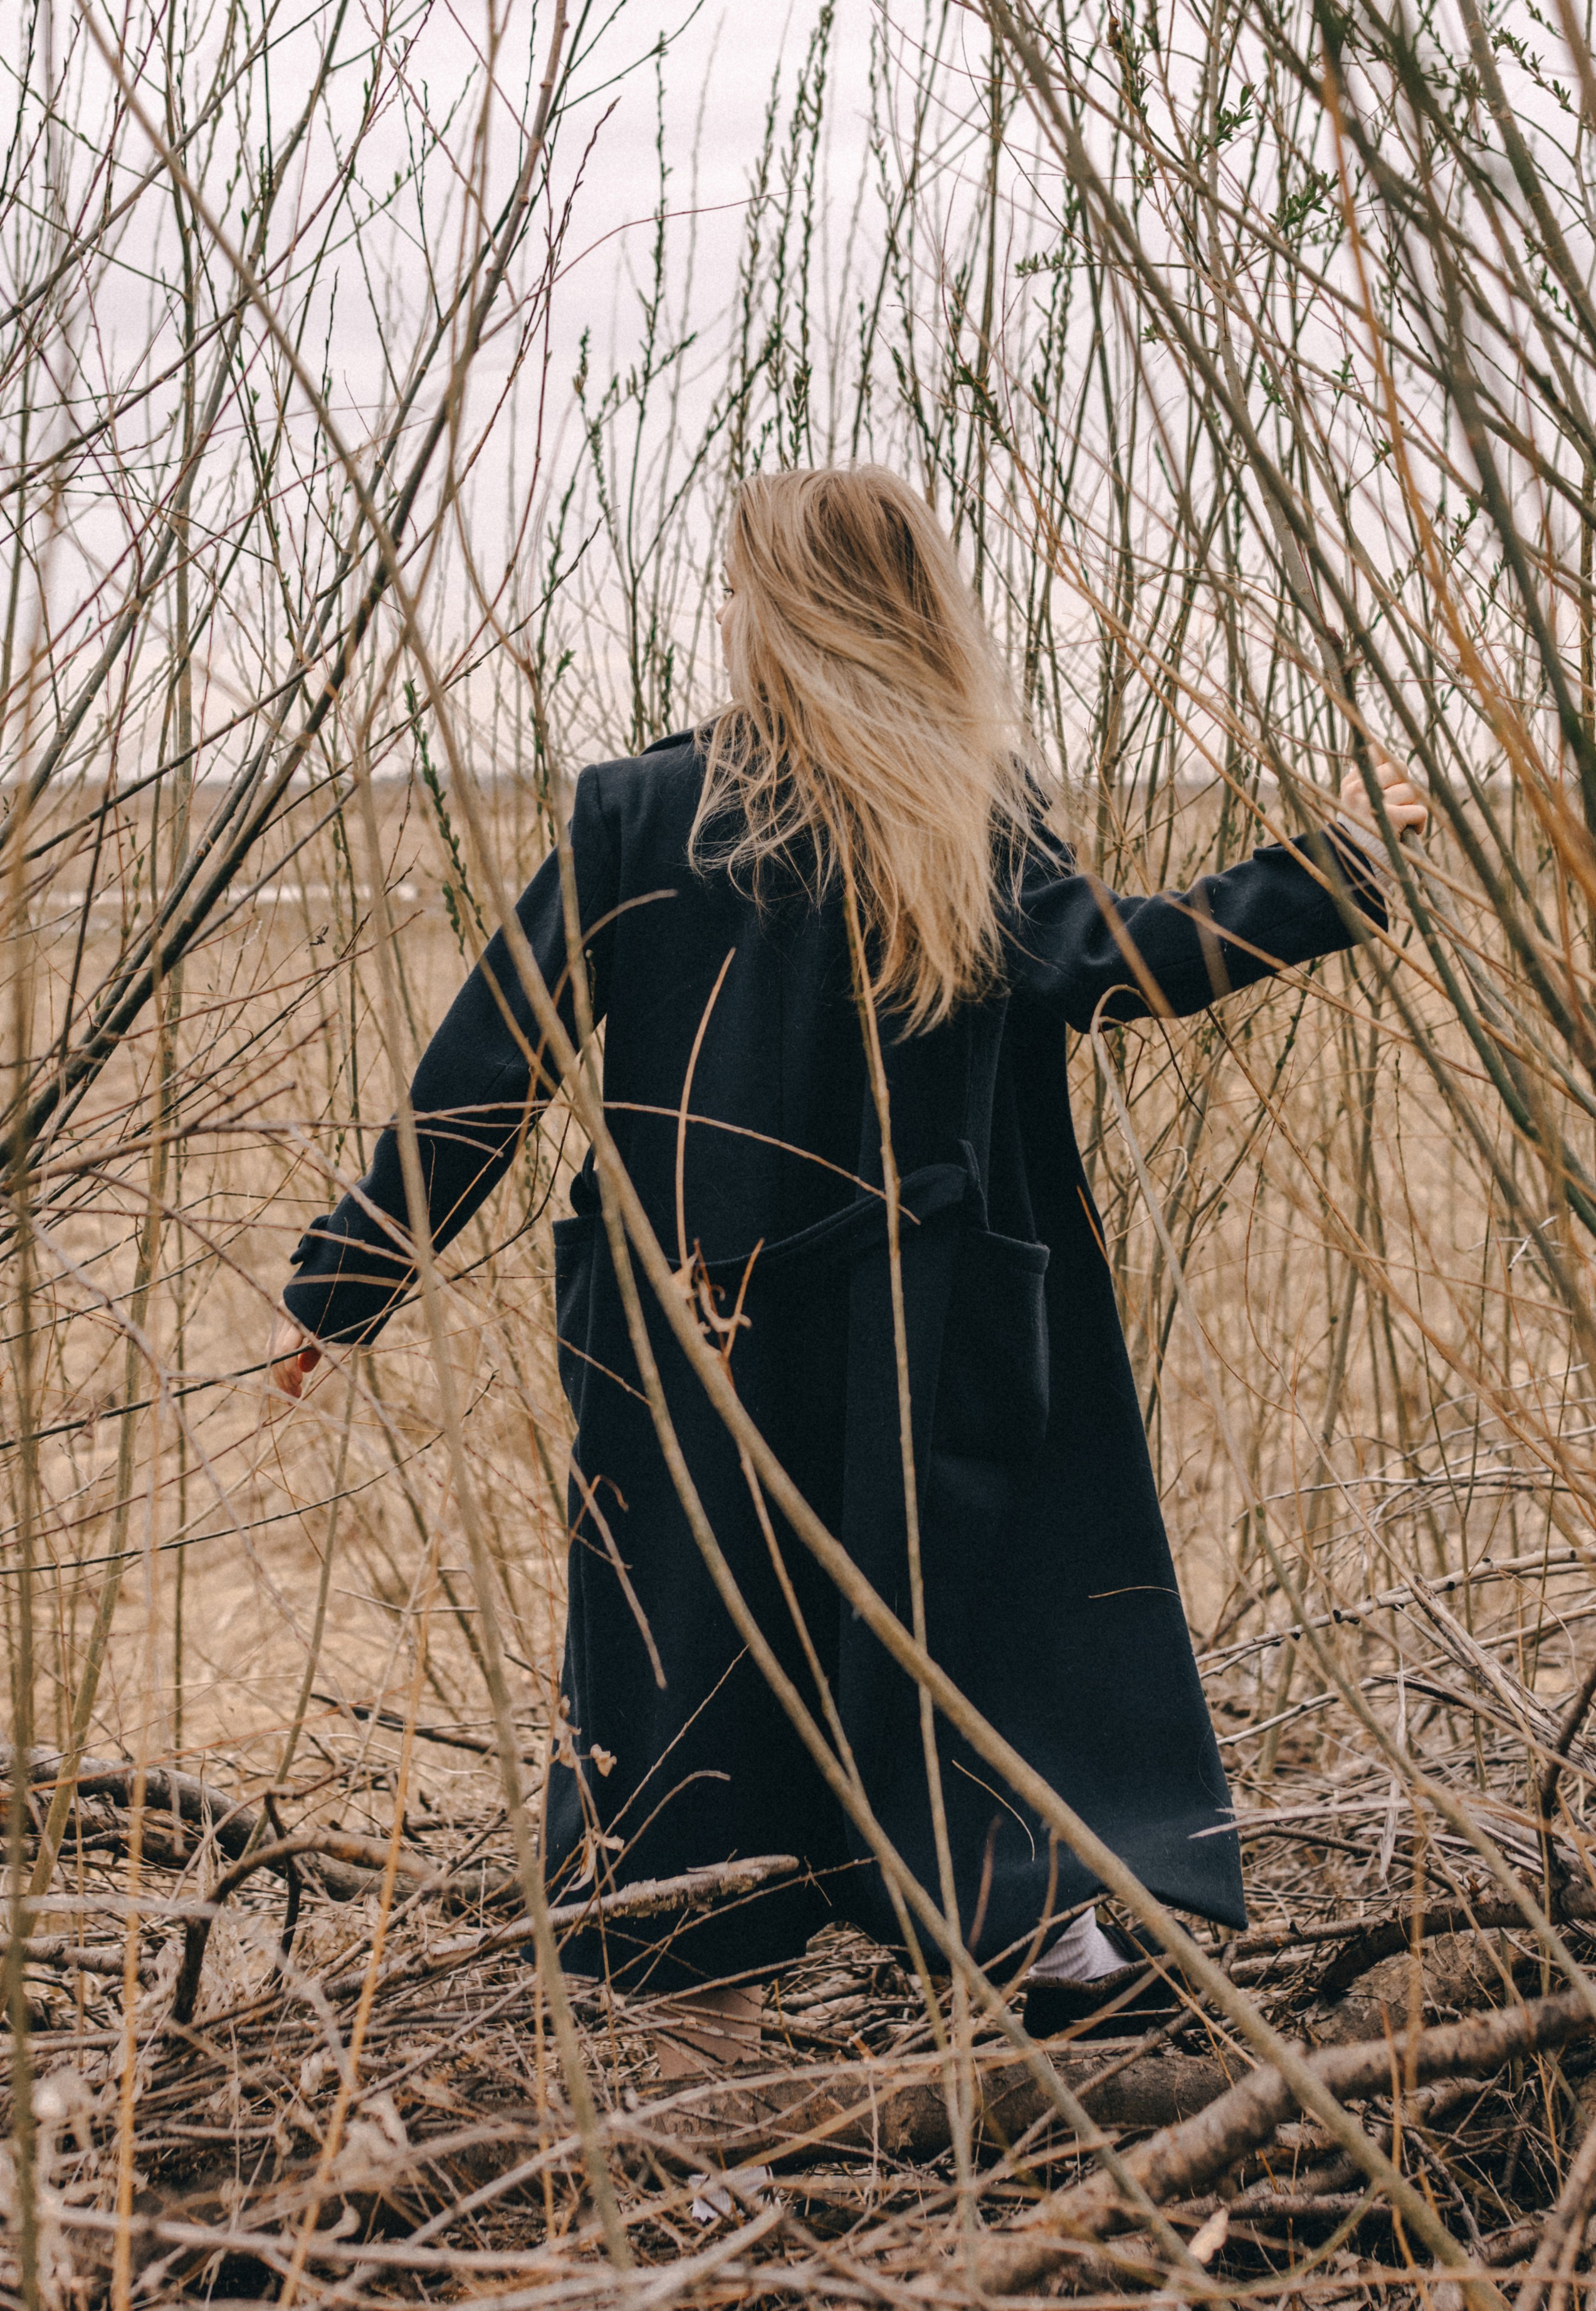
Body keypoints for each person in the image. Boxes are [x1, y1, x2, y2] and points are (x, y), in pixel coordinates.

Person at [271, 463, 1426, 2041]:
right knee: (947, 1629)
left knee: (710, 1649)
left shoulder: (692, 808)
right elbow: (1130, 962)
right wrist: (1333, 867)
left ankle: (715, 2004)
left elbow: (489, 1062)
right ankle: (1016, 1947)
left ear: (772, 603)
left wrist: (348, 1284)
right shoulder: (921, 800)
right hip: (897, 1331)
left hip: (717, 1337)